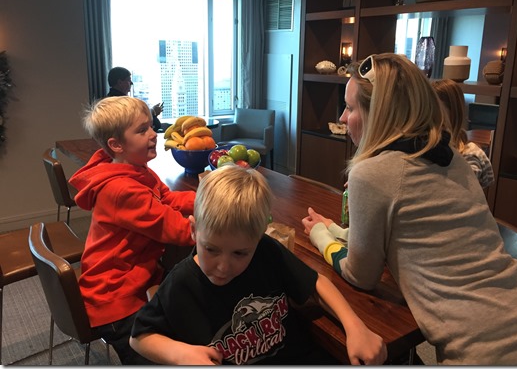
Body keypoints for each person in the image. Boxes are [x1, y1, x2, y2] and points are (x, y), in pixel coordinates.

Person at [302, 53, 517, 365]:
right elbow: (416, 235)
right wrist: (334, 228)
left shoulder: (371, 173)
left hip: (486, 350)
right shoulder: (451, 157)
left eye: (351, 108)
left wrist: (319, 235)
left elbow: (361, 275)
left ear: (378, 114)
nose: (342, 118)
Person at [129, 165, 387, 365]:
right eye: (211, 249)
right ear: (194, 231)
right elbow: (139, 337)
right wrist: (180, 354)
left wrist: (355, 327)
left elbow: (316, 282)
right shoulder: (181, 282)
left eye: (240, 253)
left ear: (259, 236)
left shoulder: (266, 250)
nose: (223, 266)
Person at [69, 96, 196, 364]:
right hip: (116, 298)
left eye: (150, 126)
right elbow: (178, 230)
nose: (153, 134)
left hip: (131, 282)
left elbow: (166, 199)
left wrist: (206, 199)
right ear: (116, 145)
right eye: (141, 130)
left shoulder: (137, 170)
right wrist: (220, 223)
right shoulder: (122, 189)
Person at [432, 78, 494, 188]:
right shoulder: (428, 147)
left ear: (453, 112)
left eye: (435, 110)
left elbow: (462, 191)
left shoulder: (469, 156)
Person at [106, 66, 163, 131]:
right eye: (128, 80)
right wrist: (152, 112)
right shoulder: (125, 104)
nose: (131, 83)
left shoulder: (105, 102)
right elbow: (153, 125)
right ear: (120, 83)